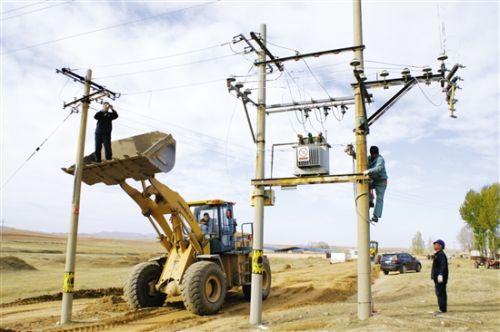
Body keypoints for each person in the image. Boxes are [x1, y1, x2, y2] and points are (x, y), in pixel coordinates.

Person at [363, 146, 388, 223]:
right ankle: (370, 200)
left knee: (380, 198)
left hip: (381, 181)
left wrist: (368, 171)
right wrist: (353, 154)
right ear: (371, 153)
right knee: (366, 185)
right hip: (373, 180)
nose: (373, 156)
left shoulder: (380, 159)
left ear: (377, 153)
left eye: (375, 155)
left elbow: (378, 169)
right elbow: (360, 159)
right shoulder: (369, 158)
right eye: (372, 154)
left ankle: (376, 216)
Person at [431, 239, 448, 314]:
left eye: (436, 244)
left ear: (440, 246)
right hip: (437, 277)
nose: (434, 245)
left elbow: (443, 265)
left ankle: (442, 309)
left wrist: (440, 274)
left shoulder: (441, 255)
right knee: (439, 292)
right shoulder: (438, 254)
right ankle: (442, 308)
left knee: (440, 292)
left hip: (440, 277)